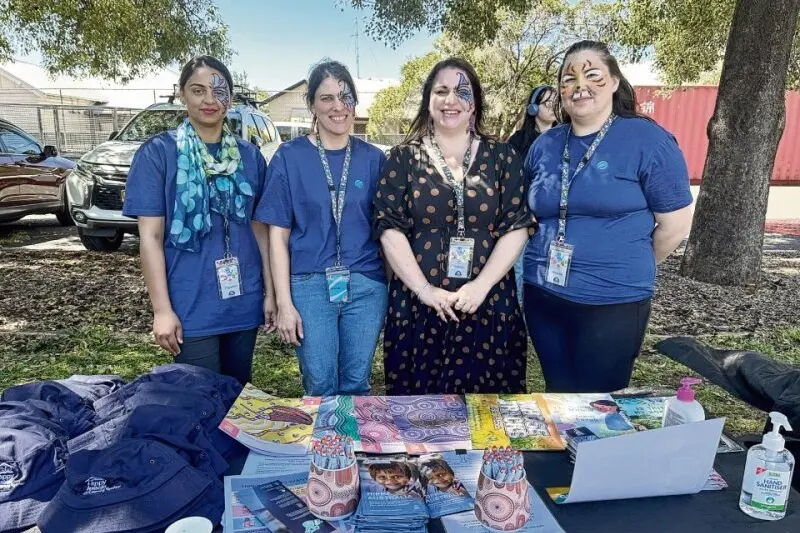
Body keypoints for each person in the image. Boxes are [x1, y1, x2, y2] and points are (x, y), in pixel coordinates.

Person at [523, 40, 694, 393]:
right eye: (568, 79)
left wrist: (625, 262)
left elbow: (675, 225)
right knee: (559, 393)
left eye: (592, 74)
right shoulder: (545, 145)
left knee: (600, 404)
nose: (579, 86)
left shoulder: (647, 139)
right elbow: (529, 212)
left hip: (613, 300)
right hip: (543, 294)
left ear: (614, 81)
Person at [374, 57, 537, 395]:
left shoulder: (504, 156)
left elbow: (517, 226)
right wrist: (424, 290)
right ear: (428, 101)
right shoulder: (402, 159)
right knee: (420, 417)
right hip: (418, 306)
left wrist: (480, 287)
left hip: (488, 303)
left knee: (489, 417)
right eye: (441, 90)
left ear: (475, 103)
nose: (451, 100)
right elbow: (389, 228)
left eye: (462, 91)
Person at [123, 55, 274, 386]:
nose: (209, 100)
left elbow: (260, 231)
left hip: (243, 299)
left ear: (230, 99)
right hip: (190, 303)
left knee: (238, 398)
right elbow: (150, 238)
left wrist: (270, 292)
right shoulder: (157, 154)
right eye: (198, 90)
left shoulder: (249, 157)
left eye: (218, 91)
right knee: (199, 401)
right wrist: (162, 310)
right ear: (182, 94)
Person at [254, 60, 388, 397]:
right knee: (320, 382)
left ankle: (352, 448)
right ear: (312, 103)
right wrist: (284, 303)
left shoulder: (374, 159)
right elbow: (277, 237)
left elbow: (389, 233)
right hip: (309, 285)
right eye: (326, 98)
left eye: (345, 97)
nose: (338, 107)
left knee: (357, 382)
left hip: (366, 285)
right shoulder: (289, 157)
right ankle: (323, 449)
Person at [507, 85, 558, 307]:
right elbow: (510, 184)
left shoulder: (566, 137)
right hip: (523, 219)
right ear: (533, 108)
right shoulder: (517, 141)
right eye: (548, 103)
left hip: (554, 221)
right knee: (520, 270)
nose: (554, 108)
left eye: (557, 103)